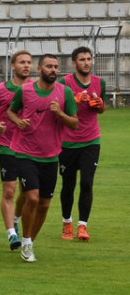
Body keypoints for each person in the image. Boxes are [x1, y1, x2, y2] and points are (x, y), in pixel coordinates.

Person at [7, 54, 78, 263]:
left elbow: (74, 123)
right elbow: (10, 112)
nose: (53, 70)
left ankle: (29, 241)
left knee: (45, 204)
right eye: (49, 66)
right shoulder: (25, 90)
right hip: (25, 152)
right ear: (39, 69)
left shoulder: (65, 92)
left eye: (56, 67)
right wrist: (18, 121)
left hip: (51, 155)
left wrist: (60, 114)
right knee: (33, 198)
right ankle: (26, 240)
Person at [58, 46, 105, 242]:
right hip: (67, 142)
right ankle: (67, 223)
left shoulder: (99, 82)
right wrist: (74, 101)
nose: (86, 62)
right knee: (68, 185)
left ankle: (82, 226)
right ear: (74, 63)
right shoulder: (64, 83)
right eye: (82, 59)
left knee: (87, 183)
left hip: (91, 140)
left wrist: (100, 105)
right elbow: (57, 111)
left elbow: (100, 110)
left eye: (89, 59)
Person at [0, 51, 32, 250]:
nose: (26, 65)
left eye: (29, 62)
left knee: (27, 193)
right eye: (22, 62)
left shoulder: (35, 88)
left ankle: (15, 218)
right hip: (7, 145)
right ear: (12, 66)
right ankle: (12, 234)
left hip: (30, 148)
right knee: (9, 190)